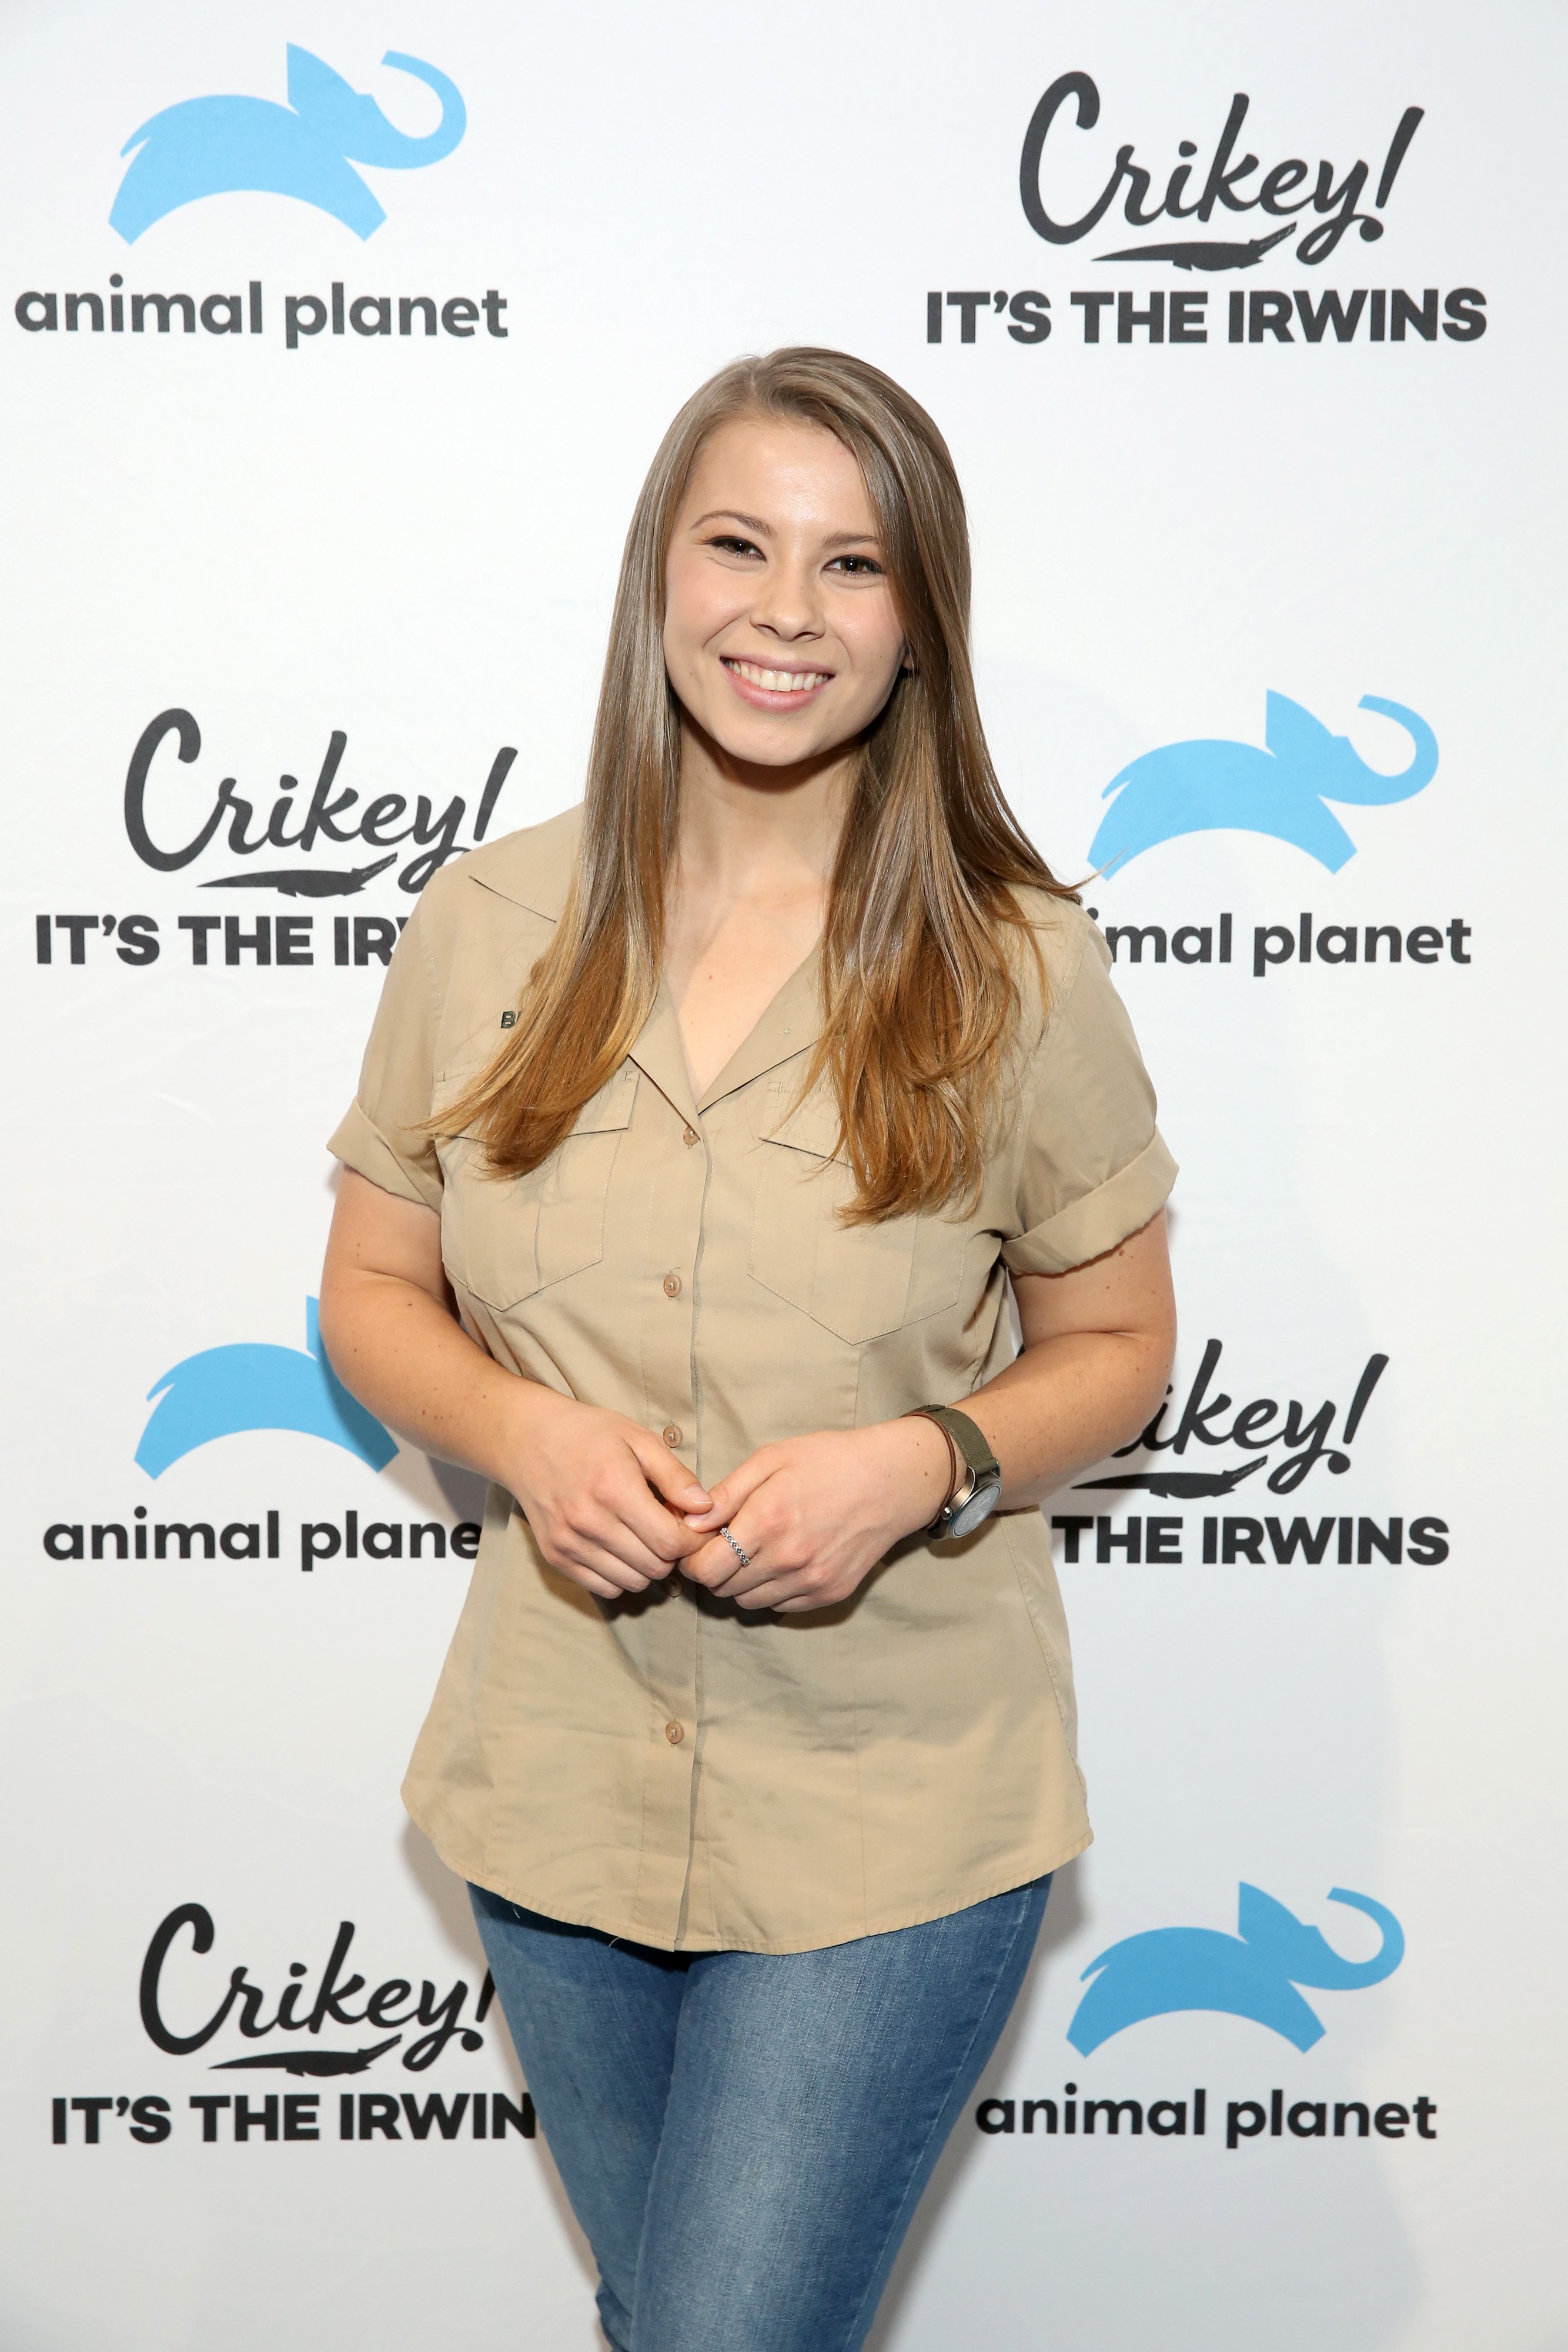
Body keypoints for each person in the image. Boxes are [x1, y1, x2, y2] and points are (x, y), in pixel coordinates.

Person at [319, 347, 1177, 2352]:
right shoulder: (487, 921)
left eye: (852, 563)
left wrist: (926, 1460)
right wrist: (522, 1435)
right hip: (555, 1787)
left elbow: (1120, 1340)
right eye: (739, 545)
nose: (786, 609)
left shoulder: (1017, 959)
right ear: (659, 575)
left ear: (915, 623)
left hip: (895, 1802)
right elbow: (369, 1292)